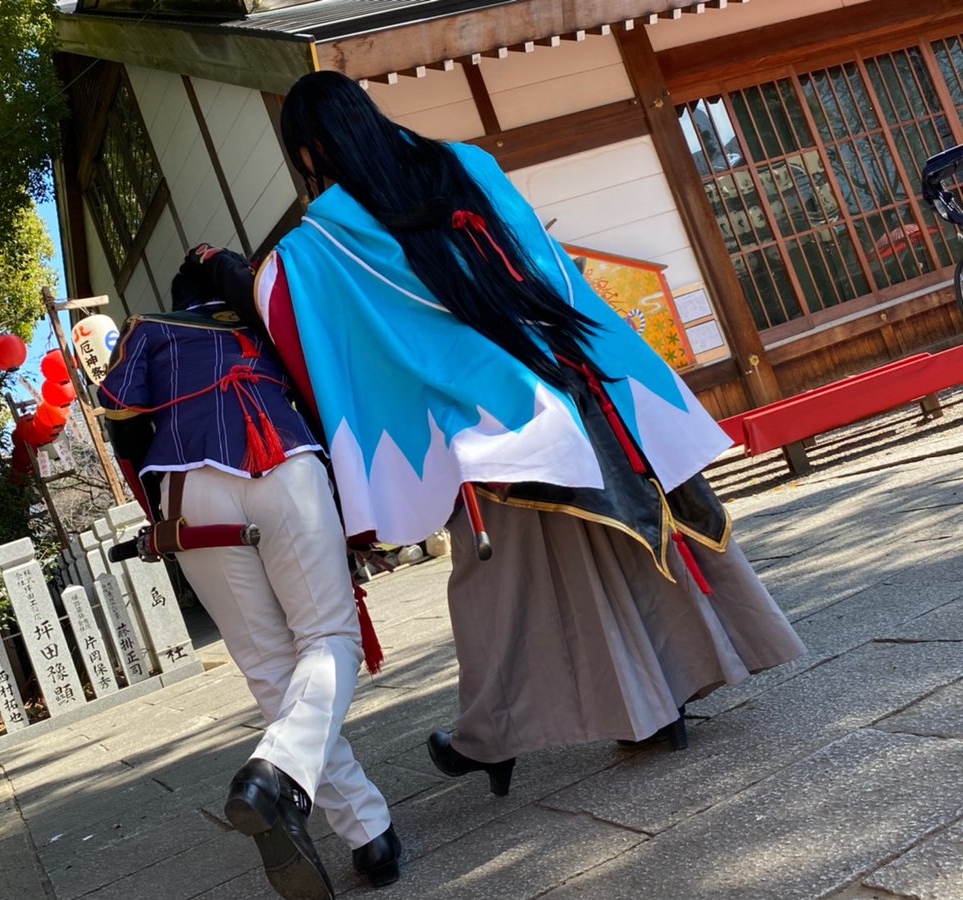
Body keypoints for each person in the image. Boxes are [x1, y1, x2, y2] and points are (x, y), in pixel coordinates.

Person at [189, 70, 806, 797]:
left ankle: (509, 732)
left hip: (490, 426)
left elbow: (287, 313)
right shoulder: (466, 163)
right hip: (579, 381)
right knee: (617, 542)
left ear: (310, 151)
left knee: (501, 592)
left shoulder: (323, 237)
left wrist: (227, 274)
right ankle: (644, 707)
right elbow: (546, 265)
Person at [99, 251, 400, 900]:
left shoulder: (147, 327)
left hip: (190, 488)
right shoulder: (270, 317)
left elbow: (120, 414)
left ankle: (362, 827)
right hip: (284, 457)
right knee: (327, 637)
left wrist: (156, 515)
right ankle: (295, 785)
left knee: (269, 665)